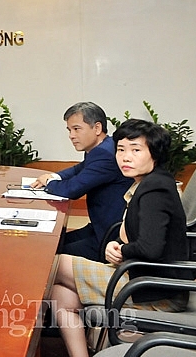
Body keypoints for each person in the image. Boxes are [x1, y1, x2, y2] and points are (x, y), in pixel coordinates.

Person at [49, 119, 189, 357]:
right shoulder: (148, 182)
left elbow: (150, 248)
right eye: (121, 149)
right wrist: (118, 246)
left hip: (153, 288)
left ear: (154, 154)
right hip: (141, 276)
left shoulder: (155, 190)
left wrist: (123, 250)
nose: (126, 157)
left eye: (136, 150)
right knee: (59, 292)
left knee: (53, 264)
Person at [30, 102, 132, 261]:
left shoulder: (105, 155)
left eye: (76, 129)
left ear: (97, 128)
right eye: (69, 130)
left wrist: (49, 183)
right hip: (99, 227)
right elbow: (79, 168)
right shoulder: (104, 147)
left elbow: (72, 189)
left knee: (49, 253)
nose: (71, 135)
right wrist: (55, 176)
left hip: (111, 239)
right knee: (53, 243)